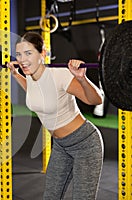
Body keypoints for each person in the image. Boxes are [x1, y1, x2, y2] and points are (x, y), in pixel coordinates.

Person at [7, 32, 104, 199]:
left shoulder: (59, 74)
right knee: (51, 196)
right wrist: (16, 75)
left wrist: (82, 79)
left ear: (42, 54)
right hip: (60, 146)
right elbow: (34, 92)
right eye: (19, 54)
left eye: (28, 53)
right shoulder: (30, 74)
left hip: (85, 144)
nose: (22, 59)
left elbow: (96, 99)